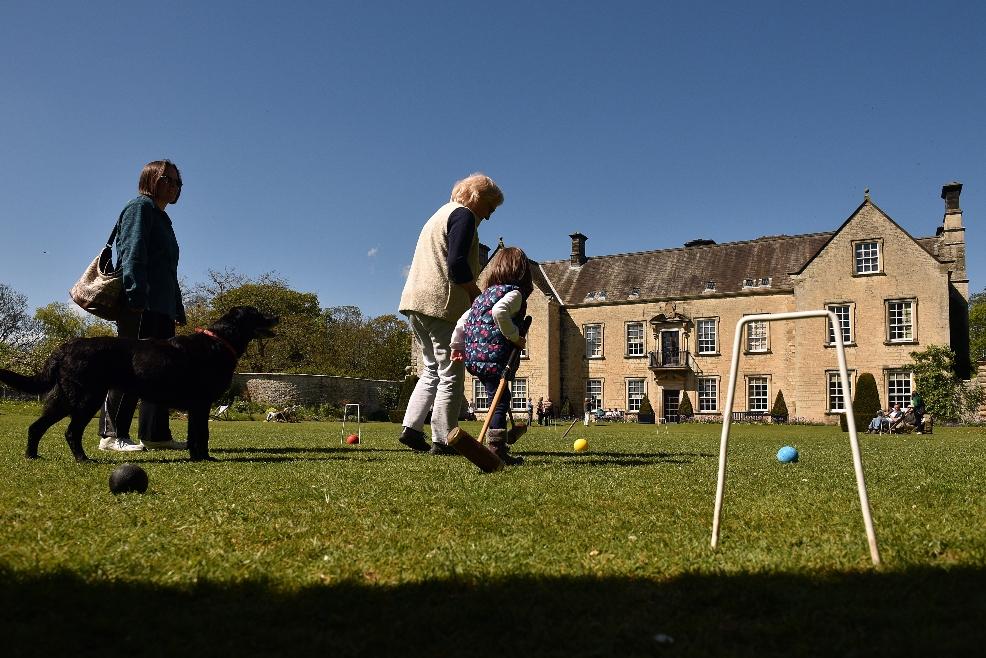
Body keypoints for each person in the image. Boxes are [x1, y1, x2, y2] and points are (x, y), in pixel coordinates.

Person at [397, 173, 504, 455]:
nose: (489, 216)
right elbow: (456, 264)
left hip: (415, 302)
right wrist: (473, 293)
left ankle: (411, 428)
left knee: (431, 368)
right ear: (477, 197)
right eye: (490, 208)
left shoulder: (438, 215)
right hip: (440, 303)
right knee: (451, 372)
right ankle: (444, 440)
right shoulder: (464, 216)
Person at [98, 160, 188, 452]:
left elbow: (167, 270)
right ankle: (111, 435)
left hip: (162, 308)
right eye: (168, 180)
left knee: (160, 372)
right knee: (130, 369)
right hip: (140, 305)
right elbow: (133, 254)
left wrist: (176, 305)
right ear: (150, 179)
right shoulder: (140, 208)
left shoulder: (163, 219)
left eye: (178, 183)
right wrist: (136, 296)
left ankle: (155, 434)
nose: (174, 187)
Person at [450, 246, 533, 465]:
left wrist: (457, 348)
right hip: (495, 357)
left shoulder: (482, 296)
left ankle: (499, 445)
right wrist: (515, 336)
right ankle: (496, 449)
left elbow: (462, 322)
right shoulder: (514, 294)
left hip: (475, 358)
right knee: (501, 400)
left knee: (496, 396)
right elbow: (499, 313)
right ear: (523, 273)